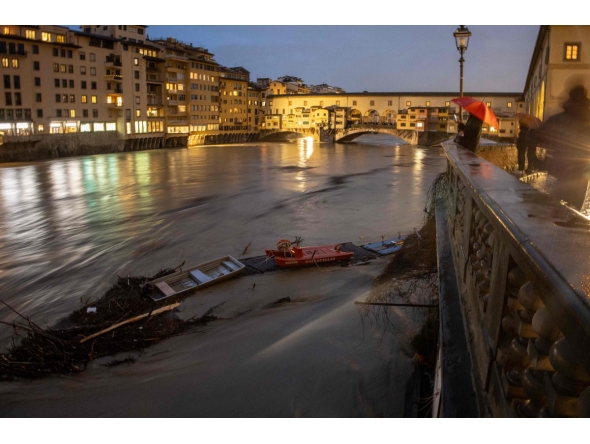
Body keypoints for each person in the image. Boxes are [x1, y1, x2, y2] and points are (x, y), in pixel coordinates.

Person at [532, 85, 590, 211]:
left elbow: (535, 137)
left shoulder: (558, 119)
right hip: (581, 175)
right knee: (573, 212)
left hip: (558, 170)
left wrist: (537, 161)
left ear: (570, 99)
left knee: (553, 209)